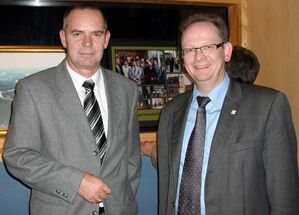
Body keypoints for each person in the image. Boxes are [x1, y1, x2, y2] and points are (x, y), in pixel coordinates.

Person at [3, 4, 141, 215]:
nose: (87, 43)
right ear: (63, 37)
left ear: (106, 39)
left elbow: (131, 159)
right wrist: (75, 182)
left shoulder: (127, 89)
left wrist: (124, 201)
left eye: (96, 34)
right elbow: (17, 156)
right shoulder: (33, 89)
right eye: (77, 34)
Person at [157, 12, 299, 215]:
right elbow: (167, 188)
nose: (198, 56)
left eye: (207, 46)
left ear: (226, 51)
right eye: (189, 49)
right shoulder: (171, 112)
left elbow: (285, 194)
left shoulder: (267, 106)